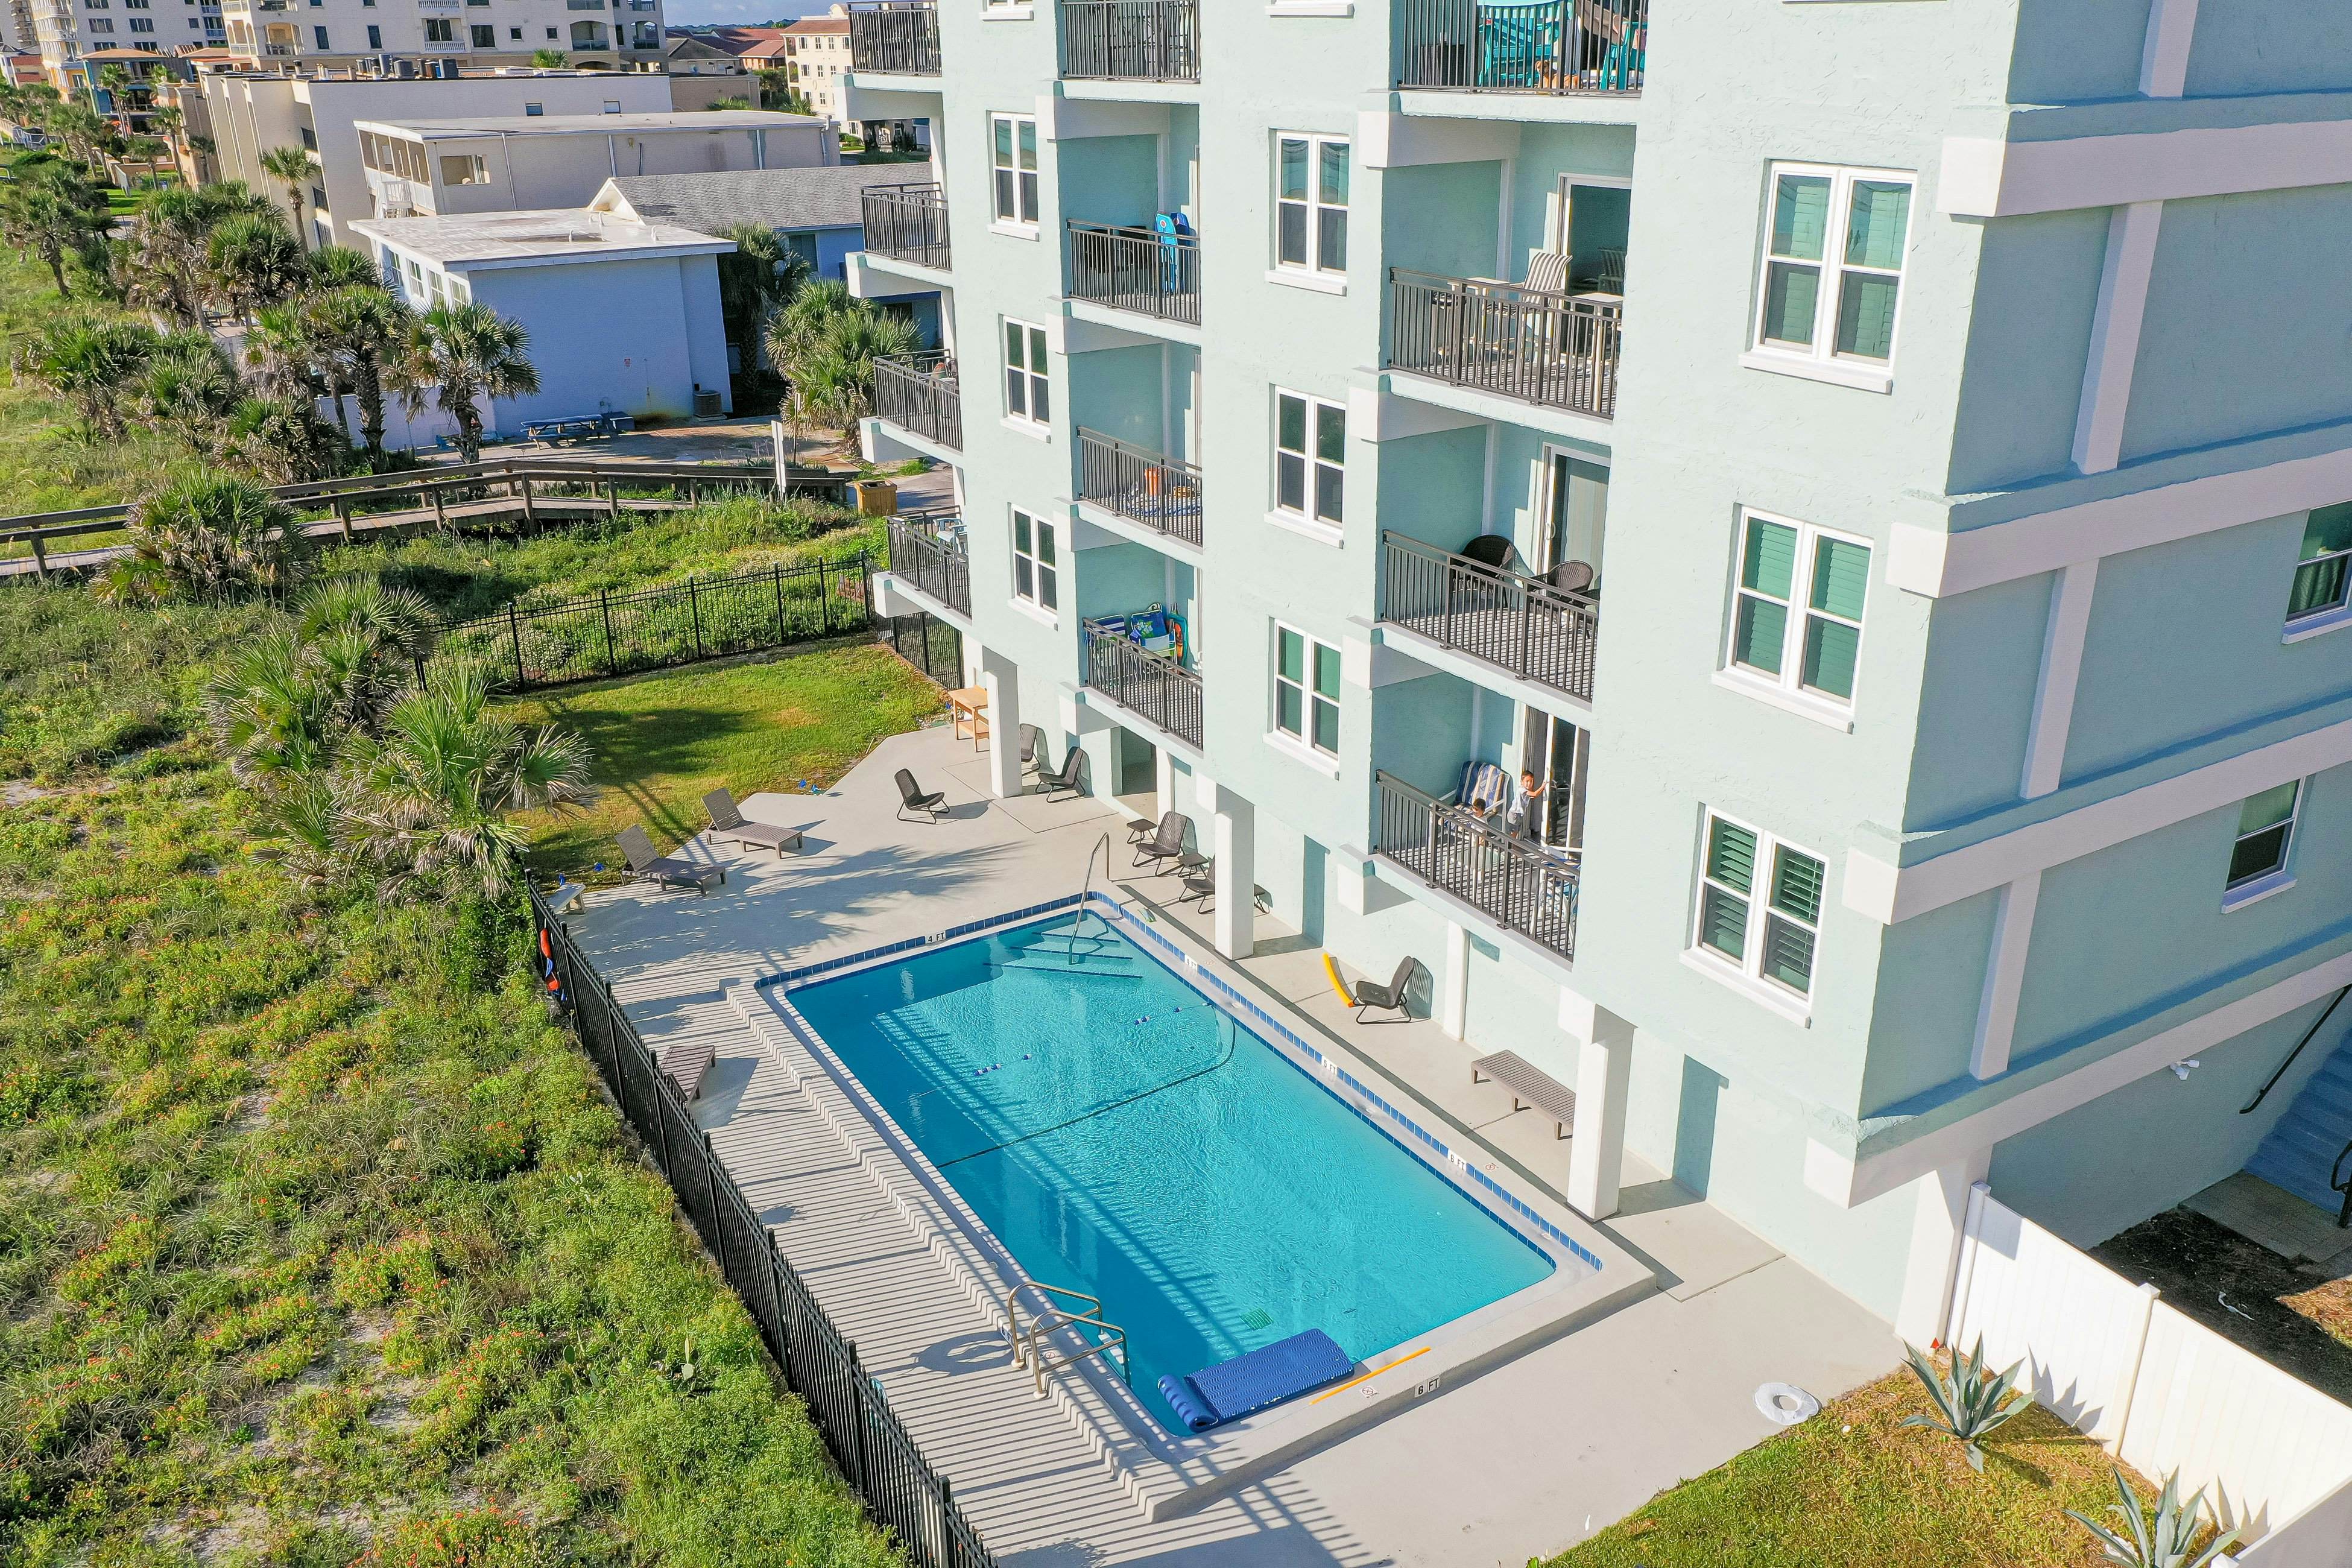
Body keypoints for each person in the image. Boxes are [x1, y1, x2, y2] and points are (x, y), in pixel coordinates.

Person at [1503, 768, 1543, 839]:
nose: (1529, 784)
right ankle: (1511, 846)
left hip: (1517, 814)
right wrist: (1543, 786)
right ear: (1522, 782)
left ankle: (1513, 845)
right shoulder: (1522, 790)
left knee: (1516, 831)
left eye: (1531, 781)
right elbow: (1534, 794)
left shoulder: (1526, 790)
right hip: (1514, 814)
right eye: (1527, 781)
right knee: (1514, 832)